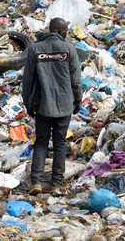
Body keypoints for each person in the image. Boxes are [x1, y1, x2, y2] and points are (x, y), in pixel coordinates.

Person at [22, 17, 82, 195]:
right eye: (65, 31)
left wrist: (28, 104)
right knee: (59, 143)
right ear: (59, 31)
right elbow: (76, 81)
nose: (66, 34)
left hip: (42, 105)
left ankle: (37, 183)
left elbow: (27, 81)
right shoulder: (69, 49)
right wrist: (77, 102)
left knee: (40, 142)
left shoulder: (35, 49)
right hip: (65, 104)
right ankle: (55, 182)